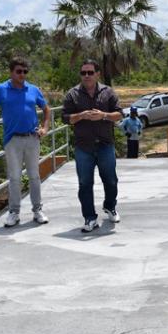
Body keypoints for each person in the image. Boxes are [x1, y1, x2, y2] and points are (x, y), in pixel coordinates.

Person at [0, 57, 50, 227]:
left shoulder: (33, 89)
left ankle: (37, 210)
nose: (22, 75)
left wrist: (45, 128)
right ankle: (14, 212)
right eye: (18, 71)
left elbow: (46, 109)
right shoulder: (1, 89)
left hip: (32, 138)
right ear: (11, 72)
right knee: (14, 177)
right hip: (12, 140)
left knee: (34, 176)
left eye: (25, 72)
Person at [61, 59, 123, 233]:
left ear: (97, 74)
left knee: (111, 180)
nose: (86, 76)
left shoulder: (108, 92)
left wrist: (104, 115)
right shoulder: (72, 94)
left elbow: (119, 114)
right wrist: (80, 115)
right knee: (85, 184)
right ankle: (89, 218)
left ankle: (110, 207)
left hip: (105, 145)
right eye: (83, 73)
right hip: (83, 147)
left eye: (90, 72)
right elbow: (65, 118)